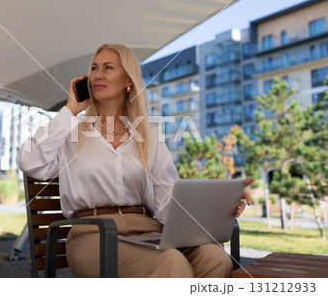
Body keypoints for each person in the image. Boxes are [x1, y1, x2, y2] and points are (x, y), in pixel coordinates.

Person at [17, 43, 252, 278]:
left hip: (147, 231)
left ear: (128, 80)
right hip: (92, 235)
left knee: (215, 259)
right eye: (94, 68)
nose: (98, 74)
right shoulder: (69, 131)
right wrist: (69, 110)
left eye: (108, 68)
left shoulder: (148, 134)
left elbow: (167, 201)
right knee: (169, 263)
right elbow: (29, 161)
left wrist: (221, 202)